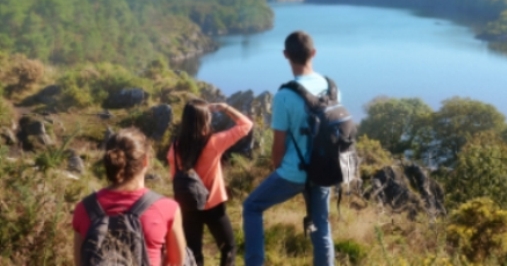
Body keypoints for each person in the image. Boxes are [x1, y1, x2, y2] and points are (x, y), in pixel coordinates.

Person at [243, 30, 335, 266]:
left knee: (252, 207)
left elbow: (278, 144)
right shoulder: (331, 87)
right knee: (321, 226)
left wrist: (278, 170)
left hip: (294, 172)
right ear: (313, 53)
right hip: (325, 169)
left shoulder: (284, 95)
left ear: (286, 55)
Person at [72, 128, 188, 266]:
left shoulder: (84, 208)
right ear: (145, 161)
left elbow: (80, 262)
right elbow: (176, 262)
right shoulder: (167, 208)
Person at [167, 99, 253, 266]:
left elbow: (174, 179)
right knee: (228, 247)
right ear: (205, 120)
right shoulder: (214, 143)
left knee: (193, 251)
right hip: (214, 205)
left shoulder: (175, 148)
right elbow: (246, 125)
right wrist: (226, 108)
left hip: (188, 205)